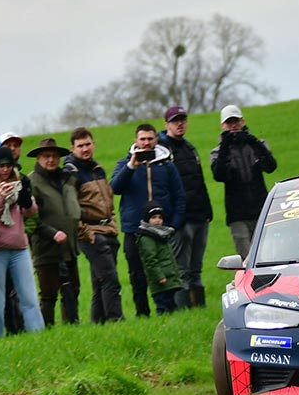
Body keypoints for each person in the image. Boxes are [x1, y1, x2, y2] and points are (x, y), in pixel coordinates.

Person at [111, 123, 185, 317]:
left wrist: (174, 224)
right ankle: (142, 313)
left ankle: (167, 311)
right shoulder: (124, 163)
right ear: (136, 140)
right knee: (137, 274)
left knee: (165, 270)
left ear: (156, 140)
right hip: (134, 229)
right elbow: (115, 188)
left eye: (150, 139)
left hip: (162, 229)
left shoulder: (167, 165)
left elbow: (179, 196)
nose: (146, 143)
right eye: (142, 139)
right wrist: (131, 166)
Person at [0, 147, 44, 337]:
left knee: (30, 298)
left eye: (9, 165)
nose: (5, 169)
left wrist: (26, 196)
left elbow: (30, 212)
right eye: (1, 166)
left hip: (19, 248)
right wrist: (2, 198)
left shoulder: (19, 180)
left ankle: (38, 336)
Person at [64, 127, 124, 323]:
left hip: (108, 230)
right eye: (80, 146)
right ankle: (116, 319)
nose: (85, 149)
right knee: (110, 279)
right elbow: (70, 209)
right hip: (91, 233)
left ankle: (97, 322)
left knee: (100, 282)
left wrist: (112, 223)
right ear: (72, 148)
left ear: (94, 144)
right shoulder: (70, 173)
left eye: (88, 144)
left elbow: (108, 200)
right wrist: (85, 233)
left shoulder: (98, 169)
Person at [158, 106, 212, 308]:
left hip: (199, 215)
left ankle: (199, 308)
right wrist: (175, 217)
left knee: (196, 268)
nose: (179, 124)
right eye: (175, 120)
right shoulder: (163, 150)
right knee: (182, 269)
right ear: (166, 124)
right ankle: (184, 309)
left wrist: (207, 210)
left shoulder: (190, 148)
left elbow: (199, 180)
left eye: (182, 119)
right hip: (181, 218)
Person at [210, 104, 278, 260]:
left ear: (243, 121)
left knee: (266, 255)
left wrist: (253, 142)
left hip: (261, 210)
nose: (233, 125)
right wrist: (226, 146)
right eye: (229, 122)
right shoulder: (217, 152)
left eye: (236, 121)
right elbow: (219, 175)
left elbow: (270, 167)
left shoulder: (257, 144)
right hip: (237, 215)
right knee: (246, 259)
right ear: (223, 125)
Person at [27, 138, 80, 327]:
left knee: (73, 289)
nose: (51, 160)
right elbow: (30, 219)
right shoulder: (31, 182)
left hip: (69, 246)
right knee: (49, 294)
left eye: (55, 156)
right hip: (46, 247)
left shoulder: (67, 179)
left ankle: (71, 327)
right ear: (38, 158)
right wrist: (52, 233)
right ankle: (46, 329)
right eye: (46, 156)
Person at [136, 201, 182, 315]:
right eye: (153, 217)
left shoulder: (162, 234)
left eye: (160, 217)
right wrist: (159, 276)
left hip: (169, 278)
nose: (157, 220)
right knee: (163, 306)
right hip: (161, 281)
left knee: (171, 306)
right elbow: (150, 260)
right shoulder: (147, 238)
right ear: (147, 219)